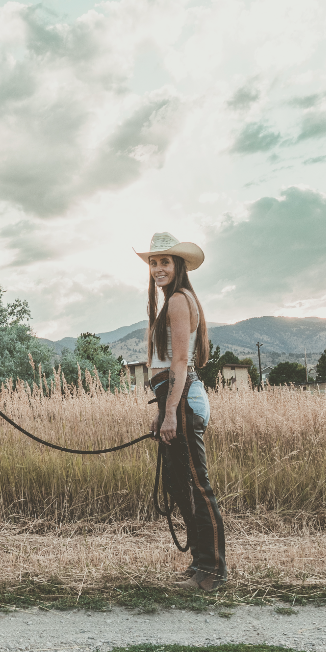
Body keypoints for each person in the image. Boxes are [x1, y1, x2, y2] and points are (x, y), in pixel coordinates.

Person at [136, 232, 226, 590]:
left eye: (165, 262)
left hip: (183, 396)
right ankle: (201, 563)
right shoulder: (176, 300)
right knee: (179, 485)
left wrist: (171, 411)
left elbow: (179, 361)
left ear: (179, 266)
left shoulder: (177, 300)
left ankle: (214, 570)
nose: (158, 268)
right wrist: (162, 410)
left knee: (198, 487)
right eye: (154, 263)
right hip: (174, 397)